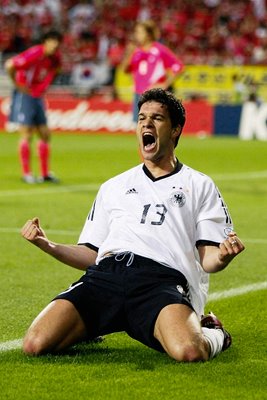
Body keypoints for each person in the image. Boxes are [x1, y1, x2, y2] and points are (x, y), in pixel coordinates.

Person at [21, 88, 245, 362]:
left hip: (161, 280)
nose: (146, 124)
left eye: (157, 119)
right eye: (141, 118)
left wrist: (222, 256)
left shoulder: (199, 185)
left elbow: (208, 260)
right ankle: (92, 326)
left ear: (175, 130)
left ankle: (217, 334)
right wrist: (49, 245)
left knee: (189, 351)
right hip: (107, 275)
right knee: (35, 343)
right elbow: (91, 254)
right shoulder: (113, 186)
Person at [5, 30, 63, 184]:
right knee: (27, 133)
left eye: (57, 43)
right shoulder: (34, 53)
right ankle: (27, 173)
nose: (54, 45)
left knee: (45, 133)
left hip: (38, 96)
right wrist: (17, 84)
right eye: (52, 42)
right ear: (45, 42)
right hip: (26, 94)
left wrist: (46, 83)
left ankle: (44, 174)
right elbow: (10, 65)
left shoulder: (55, 57)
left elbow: (57, 69)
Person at [121, 20, 184, 122]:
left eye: (140, 32)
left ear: (149, 34)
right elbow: (125, 70)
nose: (137, 35)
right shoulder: (136, 51)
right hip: (139, 93)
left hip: (155, 94)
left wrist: (165, 83)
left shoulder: (160, 50)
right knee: (140, 124)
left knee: (157, 123)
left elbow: (179, 67)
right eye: (136, 32)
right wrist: (129, 54)